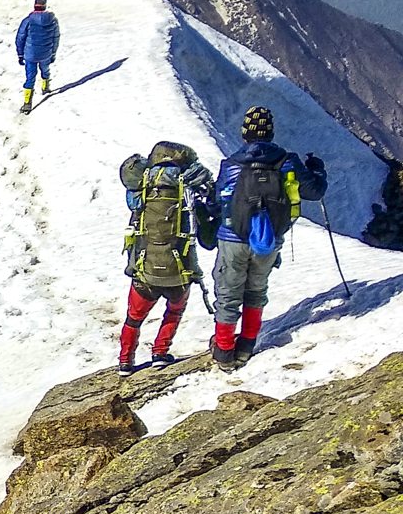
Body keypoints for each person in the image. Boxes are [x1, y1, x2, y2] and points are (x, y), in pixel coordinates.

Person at [209, 105, 327, 369]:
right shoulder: (287, 161)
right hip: (269, 238)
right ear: (271, 133)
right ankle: (246, 347)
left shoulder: (231, 164)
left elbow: (218, 199)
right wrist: (317, 169)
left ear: (244, 134)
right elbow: (314, 191)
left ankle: (224, 352)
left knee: (228, 294)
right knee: (256, 291)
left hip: (233, 237)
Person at [116, 141, 215, 374]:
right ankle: (160, 352)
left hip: (144, 267)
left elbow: (133, 206)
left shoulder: (142, 188)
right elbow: (206, 236)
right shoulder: (187, 192)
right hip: (178, 270)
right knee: (174, 311)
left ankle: (125, 361)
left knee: (133, 318)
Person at [13, 0, 59, 113]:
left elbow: (20, 38)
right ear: (45, 6)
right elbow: (56, 37)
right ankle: (45, 87)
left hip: (30, 54)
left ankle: (27, 103)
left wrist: (20, 54)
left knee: (30, 77)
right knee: (45, 69)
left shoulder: (28, 21)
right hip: (46, 53)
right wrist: (53, 53)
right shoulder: (53, 21)